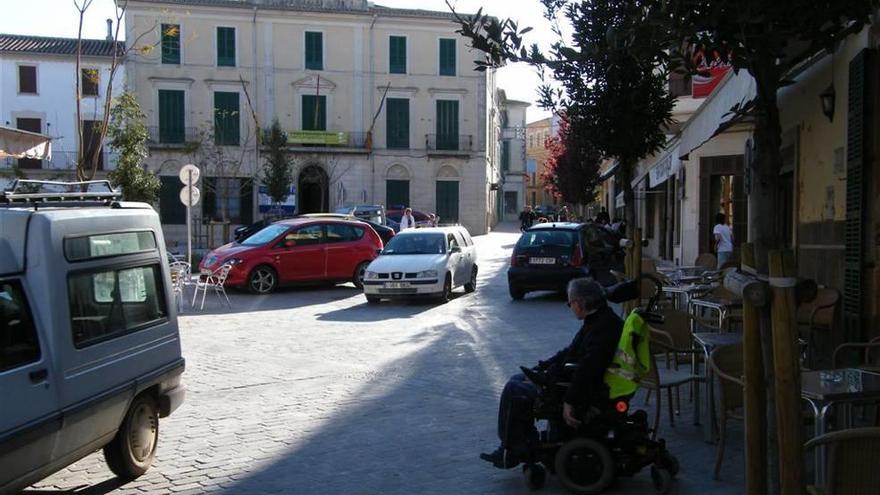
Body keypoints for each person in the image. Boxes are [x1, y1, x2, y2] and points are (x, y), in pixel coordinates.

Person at [480, 278, 624, 469]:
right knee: (518, 379)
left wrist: (569, 401)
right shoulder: (600, 319)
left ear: (581, 303)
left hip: (575, 388)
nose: (569, 306)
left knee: (514, 389)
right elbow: (571, 351)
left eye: (570, 302)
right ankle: (518, 442)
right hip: (568, 377)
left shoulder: (602, 328)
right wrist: (543, 366)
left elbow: (588, 371)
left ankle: (513, 449)